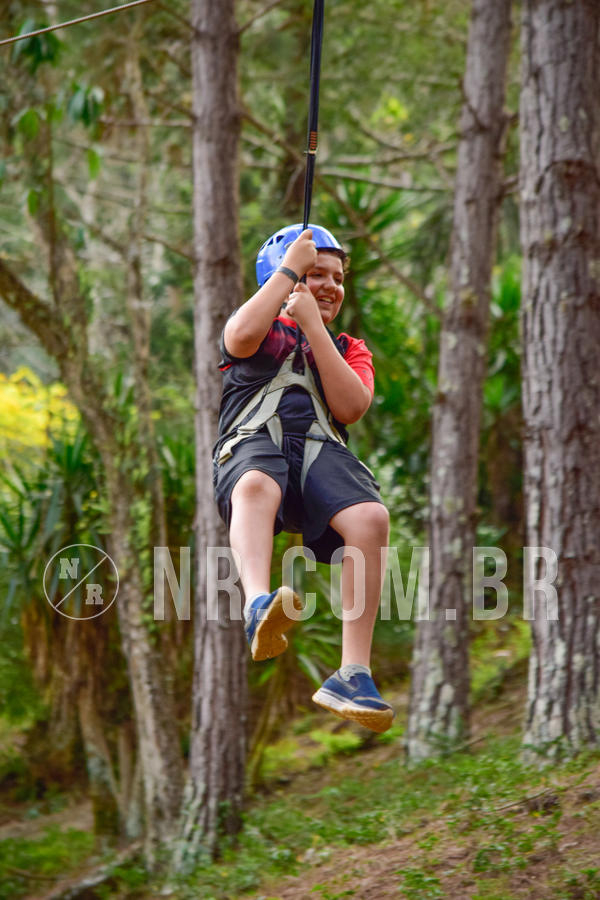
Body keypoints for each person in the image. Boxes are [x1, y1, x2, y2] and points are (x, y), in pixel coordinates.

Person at [213, 224, 394, 733]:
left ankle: (352, 673)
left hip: (318, 455)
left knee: (370, 517)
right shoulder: (261, 329)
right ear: (283, 274)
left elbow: (351, 406)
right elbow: (238, 337)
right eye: (317, 273)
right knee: (255, 483)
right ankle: (257, 605)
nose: (332, 285)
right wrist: (289, 274)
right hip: (254, 444)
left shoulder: (347, 347)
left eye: (338, 277)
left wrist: (314, 326)